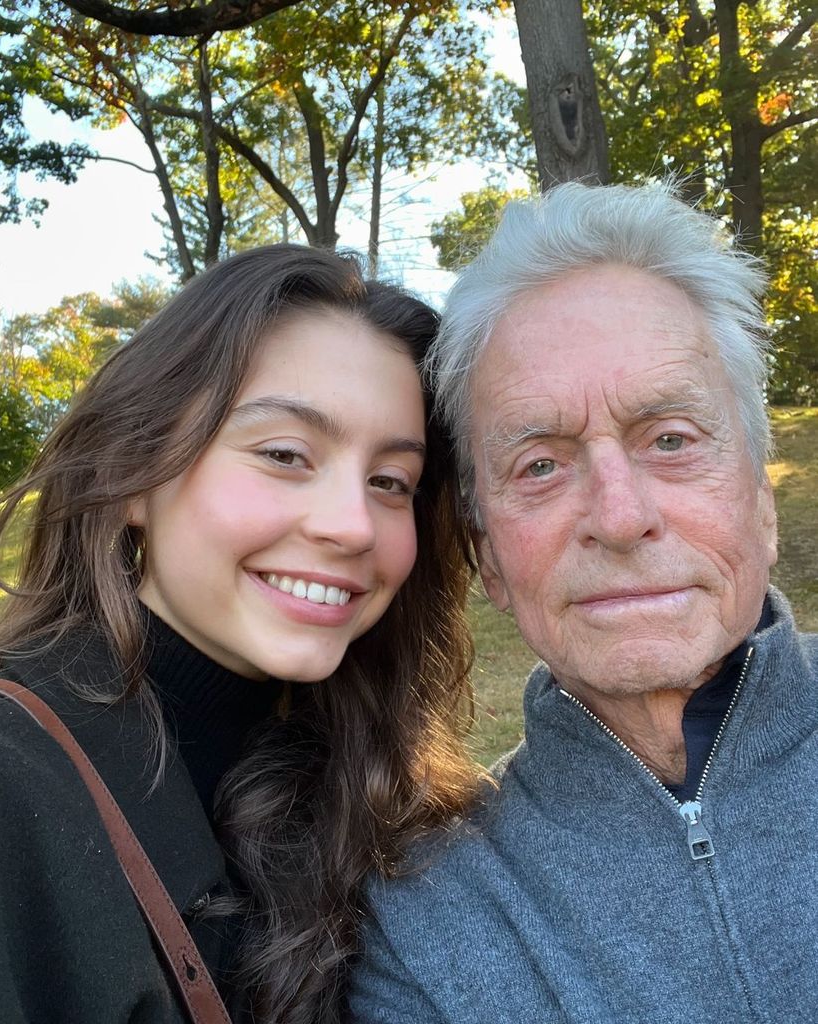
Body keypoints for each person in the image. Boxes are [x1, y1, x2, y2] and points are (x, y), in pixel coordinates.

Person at [348, 181, 818, 1024]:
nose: (619, 515)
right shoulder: (425, 921)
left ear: (760, 502)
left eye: (671, 440)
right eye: (539, 464)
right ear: (487, 556)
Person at [0, 244, 481, 1024]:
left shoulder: (389, 792)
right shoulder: (18, 778)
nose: (352, 525)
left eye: (390, 481)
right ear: (133, 469)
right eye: (285, 454)